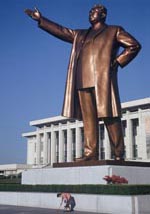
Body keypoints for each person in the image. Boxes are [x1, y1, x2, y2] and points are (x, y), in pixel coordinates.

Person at [25, 4, 141, 161]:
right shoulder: (80, 34)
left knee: (110, 116)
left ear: (103, 14)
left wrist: (117, 61)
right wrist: (41, 20)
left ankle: (118, 153)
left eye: (95, 11)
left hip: (102, 80)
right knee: (89, 119)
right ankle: (90, 153)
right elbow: (62, 31)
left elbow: (134, 45)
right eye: (90, 12)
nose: (91, 13)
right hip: (82, 80)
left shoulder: (114, 30)